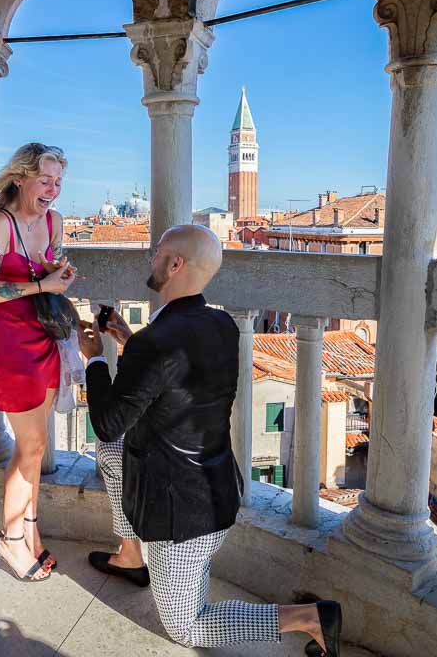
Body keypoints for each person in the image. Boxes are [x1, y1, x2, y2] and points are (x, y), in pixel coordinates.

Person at [78, 224, 342, 655]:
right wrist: (129, 339)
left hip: (178, 516)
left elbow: (108, 421)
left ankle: (310, 618)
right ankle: (130, 554)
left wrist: (94, 361)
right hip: (217, 487)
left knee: (188, 627)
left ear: (175, 264)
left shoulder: (155, 344)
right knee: (112, 455)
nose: (151, 259)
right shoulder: (220, 325)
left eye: (157, 252)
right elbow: (179, 382)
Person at [0, 143, 76, 582]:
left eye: (58, 182)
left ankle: (29, 527)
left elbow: (46, 268)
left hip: (45, 336)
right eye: (45, 180)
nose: (52, 190)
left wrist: (59, 275)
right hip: (11, 344)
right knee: (30, 445)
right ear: (20, 178)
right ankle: (12, 540)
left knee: (37, 443)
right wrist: (41, 286)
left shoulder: (53, 221)